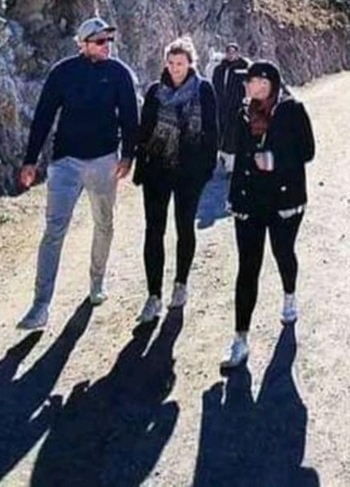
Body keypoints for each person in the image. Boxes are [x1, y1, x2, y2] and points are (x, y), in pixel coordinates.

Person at [16, 16, 138, 331]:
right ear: (83, 44)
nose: (106, 46)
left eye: (108, 40)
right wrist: (31, 160)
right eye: (99, 41)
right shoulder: (63, 73)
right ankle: (40, 305)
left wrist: (128, 156)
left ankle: (96, 283)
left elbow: (129, 117)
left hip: (104, 162)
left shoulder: (119, 74)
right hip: (65, 162)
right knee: (54, 231)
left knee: (104, 224)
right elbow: (43, 116)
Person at [220, 60, 315, 371]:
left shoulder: (292, 109)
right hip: (249, 199)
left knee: (283, 252)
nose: (256, 87)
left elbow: (308, 151)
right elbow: (239, 154)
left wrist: (276, 159)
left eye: (262, 82)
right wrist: (233, 196)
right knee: (247, 267)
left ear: (274, 83)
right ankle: (240, 339)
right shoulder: (243, 113)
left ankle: (289, 295)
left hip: (284, 197)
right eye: (252, 82)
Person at [132, 36, 218, 324]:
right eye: (170, 63)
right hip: (157, 170)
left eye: (180, 64)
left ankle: (181, 284)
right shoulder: (156, 90)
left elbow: (211, 132)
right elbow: (144, 129)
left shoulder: (203, 90)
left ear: (190, 63)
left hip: (189, 173)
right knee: (153, 231)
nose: (175, 69)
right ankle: (153, 296)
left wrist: (206, 169)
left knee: (184, 228)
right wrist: (139, 165)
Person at [212, 41, 249, 169]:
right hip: (222, 106)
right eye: (229, 52)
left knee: (233, 134)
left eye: (234, 52)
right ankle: (222, 157)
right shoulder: (220, 69)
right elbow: (215, 86)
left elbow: (248, 87)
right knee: (221, 131)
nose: (231, 54)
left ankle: (231, 164)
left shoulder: (243, 68)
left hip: (236, 107)